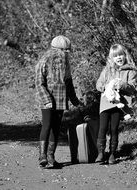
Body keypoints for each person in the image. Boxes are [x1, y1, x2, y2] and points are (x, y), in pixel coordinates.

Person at [35, 35, 82, 168]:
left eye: (68, 51)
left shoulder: (65, 63)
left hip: (60, 100)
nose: (67, 53)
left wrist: (75, 100)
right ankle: (42, 156)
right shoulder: (44, 61)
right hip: (47, 100)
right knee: (47, 125)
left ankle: (51, 157)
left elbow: (68, 83)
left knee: (55, 128)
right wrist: (47, 100)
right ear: (57, 49)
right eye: (65, 50)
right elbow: (39, 83)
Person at [95, 44, 137, 164]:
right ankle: (101, 153)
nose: (119, 58)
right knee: (102, 128)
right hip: (106, 102)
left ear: (125, 55)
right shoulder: (107, 70)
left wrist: (121, 85)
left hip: (118, 104)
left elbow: (132, 88)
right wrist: (106, 87)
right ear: (112, 58)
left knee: (113, 129)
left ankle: (112, 153)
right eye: (116, 56)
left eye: (121, 55)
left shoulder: (130, 71)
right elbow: (99, 84)